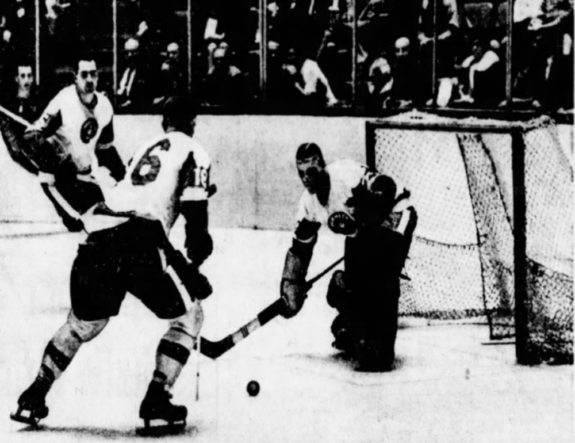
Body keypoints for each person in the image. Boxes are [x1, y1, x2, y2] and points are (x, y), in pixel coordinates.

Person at [10, 97, 215, 436]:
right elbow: (197, 236)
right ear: (193, 122)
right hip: (142, 242)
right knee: (190, 315)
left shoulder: (142, 149)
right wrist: (192, 268)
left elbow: (137, 191)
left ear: (164, 122)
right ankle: (157, 400)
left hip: (100, 236)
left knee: (82, 324)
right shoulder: (195, 150)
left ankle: (33, 395)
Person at [279, 143, 417, 372]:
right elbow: (300, 249)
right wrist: (291, 284)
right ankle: (351, 328)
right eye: (301, 173)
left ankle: (380, 350)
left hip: (396, 218)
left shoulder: (345, 174)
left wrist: (373, 205)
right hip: (361, 233)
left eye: (311, 171)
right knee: (345, 286)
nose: (306, 179)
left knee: (381, 280)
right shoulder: (308, 204)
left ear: (323, 166)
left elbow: (386, 185)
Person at [21, 52, 125, 231]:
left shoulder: (105, 106)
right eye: (84, 75)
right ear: (75, 77)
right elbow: (32, 135)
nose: (89, 79)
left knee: (106, 222)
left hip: (84, 176)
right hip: (58, 181)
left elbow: (105, 149)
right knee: (81, 227)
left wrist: (123, 177)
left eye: (93, 74)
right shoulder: (65, 100)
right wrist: (58, 161)